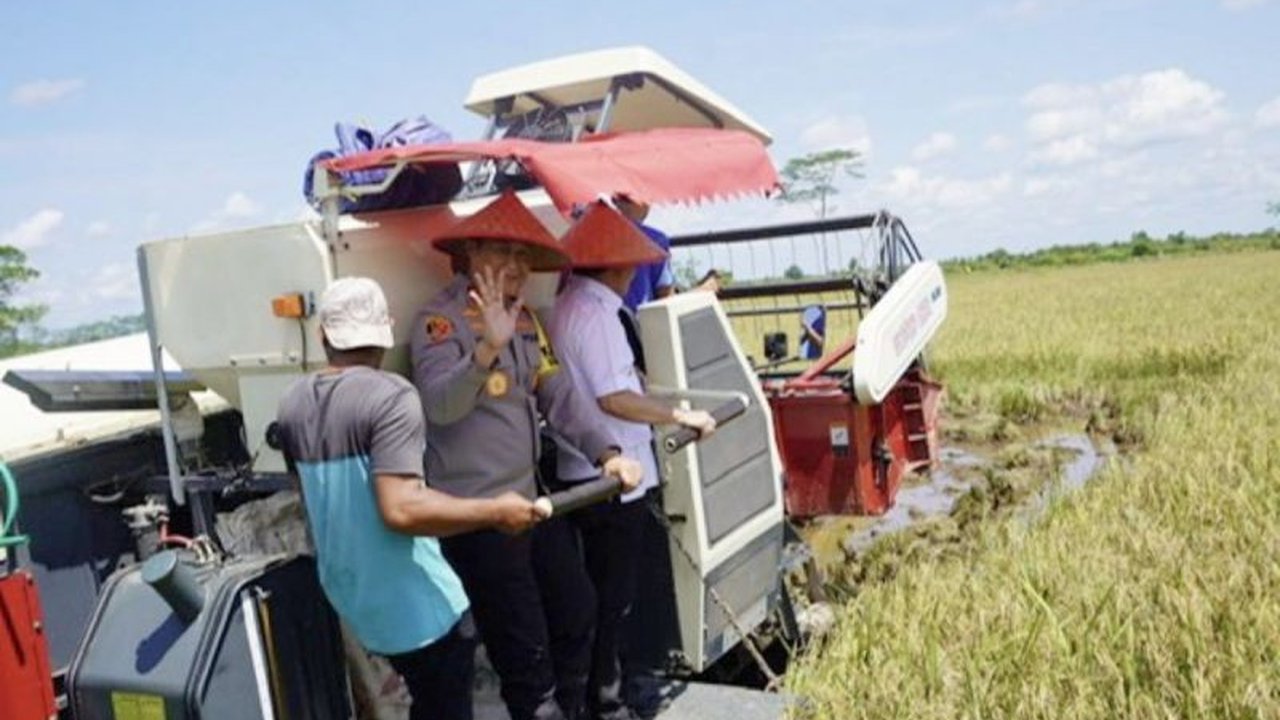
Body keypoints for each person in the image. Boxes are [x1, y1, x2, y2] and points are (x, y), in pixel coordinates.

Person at [411, 190, 644, 720]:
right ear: (470, 253)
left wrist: (606, 451)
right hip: (480, 518)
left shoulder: (525, 321)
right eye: (501, 251)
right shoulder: (439, 323)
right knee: (526, 657)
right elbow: (440, 406)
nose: (515, 265)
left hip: (532, 503)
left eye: (523, 255)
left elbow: (557, 394)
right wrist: (486, 350)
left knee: (578, 611)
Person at [276, 277, 545, 720]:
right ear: (387, 328)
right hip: (421, 607)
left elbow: (309, 498)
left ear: (322, 333)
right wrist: (495, 510)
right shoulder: (392, 396)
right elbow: (401, 508)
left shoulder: (293, 402)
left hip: (353, 595)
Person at [549, 201, 717, 720]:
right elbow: (614, 398)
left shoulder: (569, 304)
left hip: (584, 469)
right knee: (613, 599)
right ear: (619, 264)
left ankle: (596, 694)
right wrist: (678, 415)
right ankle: (607, 699)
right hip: (613, 477)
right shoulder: (598, 315)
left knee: (597, 597)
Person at [615, 195, 719, 313]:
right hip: (638, 322)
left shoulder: (600, 233)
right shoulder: (655, 240)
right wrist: (704, 291)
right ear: (642, 202)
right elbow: (666, 300)